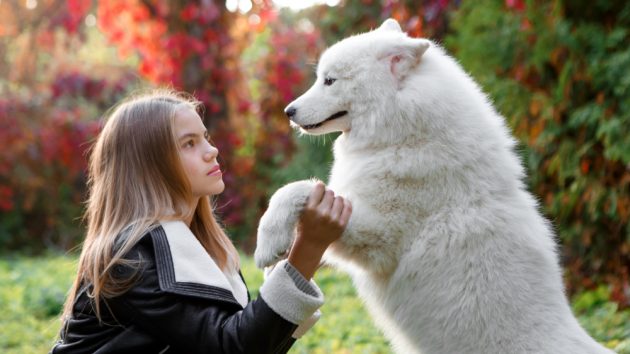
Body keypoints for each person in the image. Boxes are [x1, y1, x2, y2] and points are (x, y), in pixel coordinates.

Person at [50, 90, 352, 353]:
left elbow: (253, 343)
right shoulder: (129, 259)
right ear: (149, 166)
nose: (212, 150)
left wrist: (299, 259)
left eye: (204, 137)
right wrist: (307, 251)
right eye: (189, 143)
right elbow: (232, 346)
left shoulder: (199, 249)